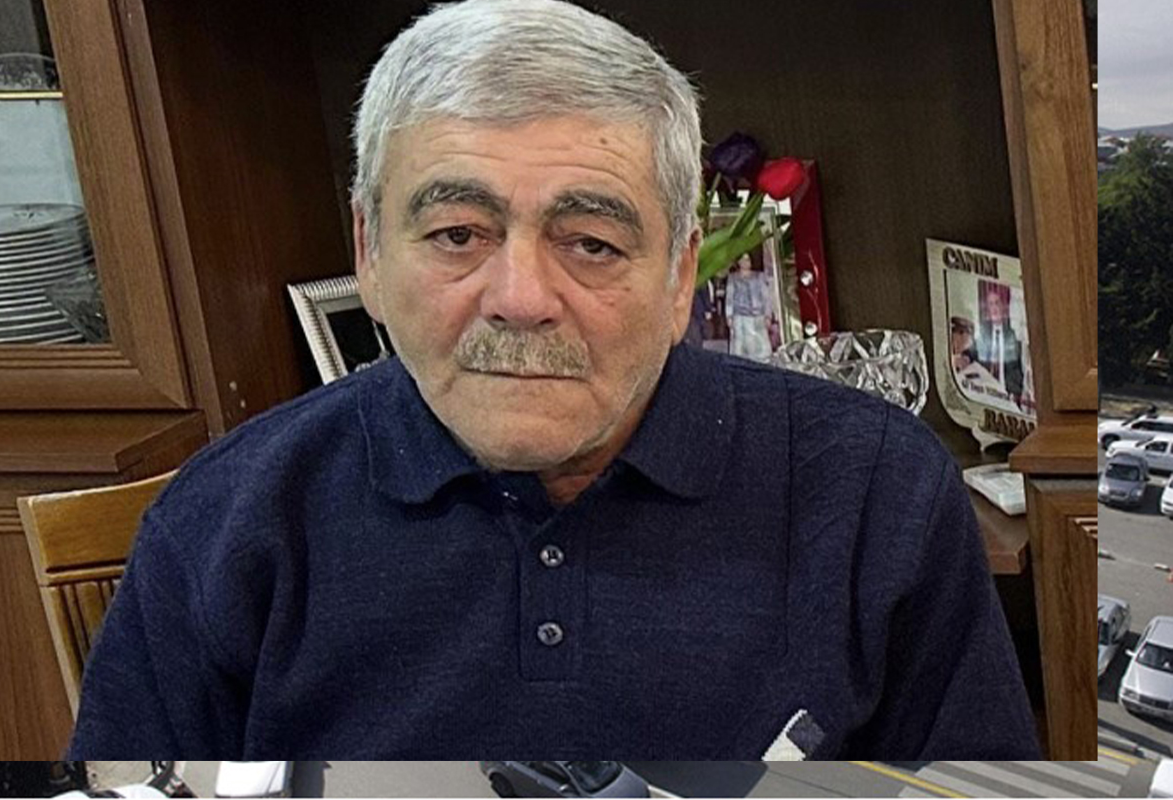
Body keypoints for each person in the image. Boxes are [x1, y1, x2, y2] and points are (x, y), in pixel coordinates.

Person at [68, 0, 1041, 759]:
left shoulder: (875, 490)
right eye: (458, 233)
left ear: (681, 274)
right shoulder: (227, 521)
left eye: (591, 242)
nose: (521, 299)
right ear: (368, 250)